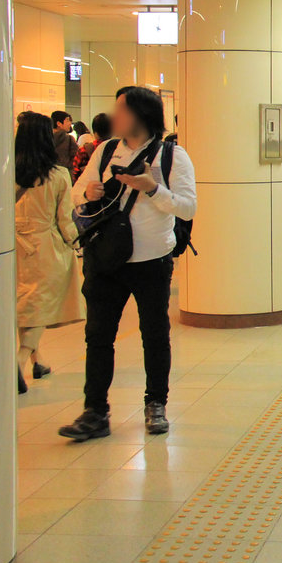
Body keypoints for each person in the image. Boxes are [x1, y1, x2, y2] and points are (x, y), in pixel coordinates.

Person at [59, 86, 197, 442]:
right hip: (105, 258)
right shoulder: (105, 151)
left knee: (154, 334)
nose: (114, 116)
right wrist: (86, 193)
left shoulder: (172, 156)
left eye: (121, 110)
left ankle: (156, 404)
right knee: (98, 335)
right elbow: (76, 192)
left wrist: (153, 189)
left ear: (140, 115)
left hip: (151, 260)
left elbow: (187, 207)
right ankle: (95, 411)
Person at [14, 113, 84, 394]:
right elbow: (64, 219)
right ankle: (18, 361)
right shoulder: (57, 175)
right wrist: (76, 242)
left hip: (14, 246)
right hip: (44, 246)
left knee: (27, 304)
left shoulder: (7, 172)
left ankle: (37, 360)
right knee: (39, 307)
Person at [72, 112, 110, 182]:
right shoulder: (119, 150)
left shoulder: (85, 150)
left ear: (94, 131)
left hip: (89, 188)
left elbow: (75, 173)